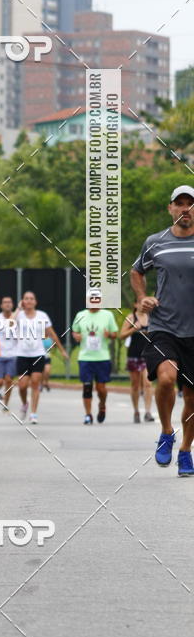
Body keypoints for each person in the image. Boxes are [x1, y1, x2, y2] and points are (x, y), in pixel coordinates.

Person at [130, 184, 194, 476]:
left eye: (190, 204)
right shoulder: (155, 242)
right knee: (166, 379)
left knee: (192, 397)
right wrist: (142, 298)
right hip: (164, 325)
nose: (185, 209)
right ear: (170, 209)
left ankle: (185, 452)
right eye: (179, 204)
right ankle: (167, 431)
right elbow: (136, 271)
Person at [16, 292, 68, 423]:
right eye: (26, 299)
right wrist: (17, 309)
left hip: (38, 354)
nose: (28, 301)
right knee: (22, 386)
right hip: (22, 354)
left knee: (35, 383)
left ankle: (33, 413)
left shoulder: (42, 315)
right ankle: (24, 404)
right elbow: (9, 325)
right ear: (23, 301)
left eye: (31, 299)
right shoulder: (19, 315)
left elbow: (52, 334)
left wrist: (62, 350)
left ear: (35, 302)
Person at [71, 288, 118, 425]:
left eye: (97, 299)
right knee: (87, 386)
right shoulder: (80, 315)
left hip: (102, 357)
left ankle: (102, 405)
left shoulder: (107, 315)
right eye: (92, 299)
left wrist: (109, 334)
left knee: (101, 388)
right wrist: (76, 336)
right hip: (85, 357)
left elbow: (115, 334)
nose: (95, 301)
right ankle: (88, 414)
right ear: (87, 300)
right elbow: (75, 331)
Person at [120, 302, 155, 423]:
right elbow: (122, 335)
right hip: (134, 356)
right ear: (135, 304)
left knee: (148, 383)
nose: (144, 305)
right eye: (141, 303)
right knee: (135, 385)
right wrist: (133, 329)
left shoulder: (152, 318)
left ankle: (148, 412)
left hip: (148, 356)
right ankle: (136, 411)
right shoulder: (131, 318)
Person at [0, 296, 18, 411]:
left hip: (13, 354)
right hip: (0, 355)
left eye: (9, 302)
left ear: (12, 305)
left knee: (8, 379)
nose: (7, 304)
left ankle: (5, 403)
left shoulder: (18, 318)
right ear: (1, 305)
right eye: (5, 302)